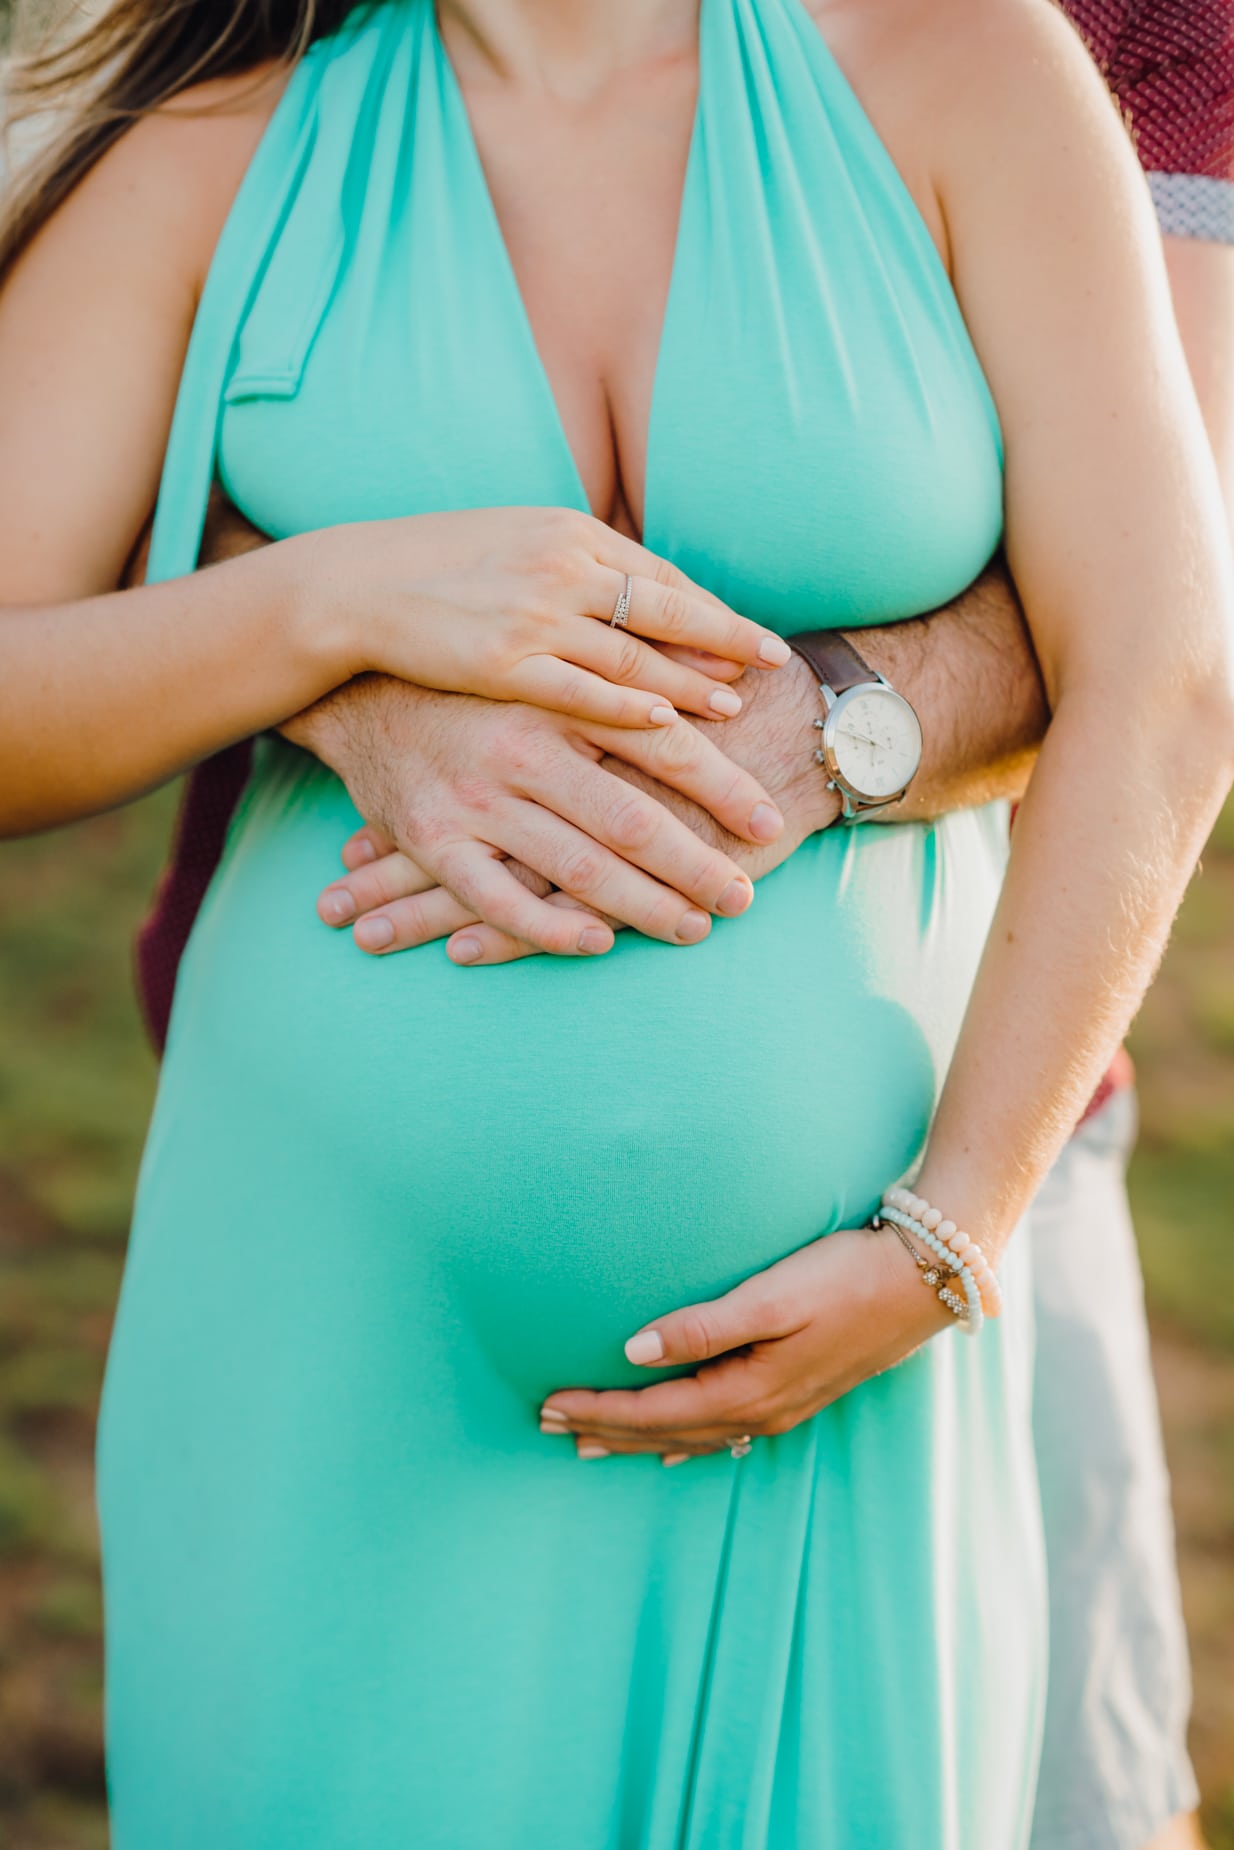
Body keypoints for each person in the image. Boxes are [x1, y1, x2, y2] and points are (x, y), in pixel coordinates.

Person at [1, 3, 1232, 1847]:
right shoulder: (223, 135)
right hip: (330, 1339)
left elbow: (1167, 666)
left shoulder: (967, 68)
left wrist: (954, 1224)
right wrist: (336, 606)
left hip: (856, 1343)